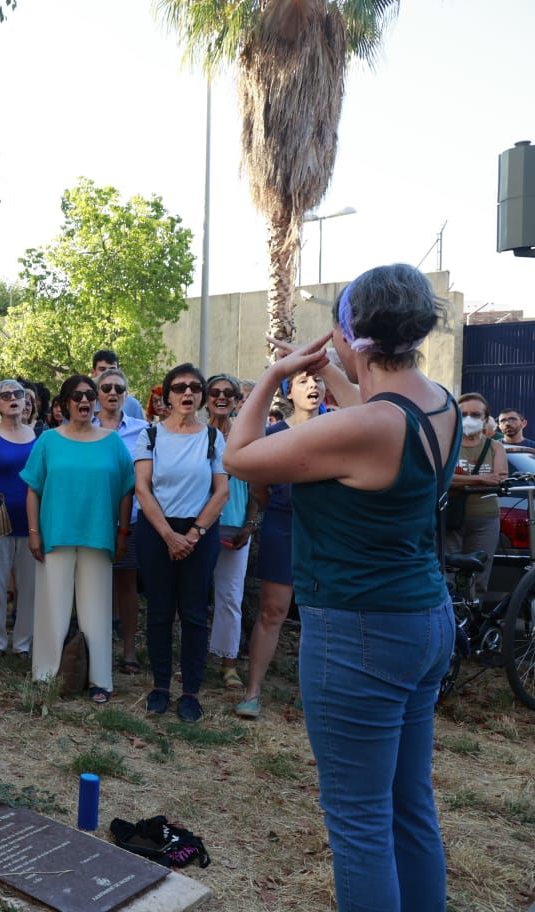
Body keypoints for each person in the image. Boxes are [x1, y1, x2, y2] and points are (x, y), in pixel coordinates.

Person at [224, 264, 458, 912]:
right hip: (423, 619)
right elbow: (373, 415)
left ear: (351, 334)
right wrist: (325, 368)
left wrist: (272, 377)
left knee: (358, 824)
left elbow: (239, 457)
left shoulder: (366, 428)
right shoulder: (432, 404)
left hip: (360, 632)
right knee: (410, 806)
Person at [24, 374, 133, 701]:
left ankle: (100, 680)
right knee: (51, 608)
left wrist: (123, 531)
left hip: (98, 537)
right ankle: (46, 675)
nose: (84, 401)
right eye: (76, 396)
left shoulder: (113, 442)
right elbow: (33, 490)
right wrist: (33, 533)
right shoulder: (48, 441)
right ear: (64, 404)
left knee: (97, 610)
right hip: (55, 535)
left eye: (89, 395)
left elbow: (128, 489)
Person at [133, 364, 229, 723]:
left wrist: (194, 534)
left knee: (193, 613)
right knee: (159, 612)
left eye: (194, 387)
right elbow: (143, 488)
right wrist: (169, 535)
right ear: (167, 395)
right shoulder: (151, 436)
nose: (187, 393)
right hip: (157, 531)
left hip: (198, 533)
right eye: (179, 387)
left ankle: (190, 692)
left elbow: (221, 491)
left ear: (201, 395)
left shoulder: (213, 438)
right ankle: (160, 687)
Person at [236, 368, 323, 720]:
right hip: (283, 523)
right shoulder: (273, 435)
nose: (313, 386)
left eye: (317, 381)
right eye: (303, 381)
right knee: (273, 610)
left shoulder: (337, 428)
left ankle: (317, 694)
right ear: (288, 393)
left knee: (321, 613)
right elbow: (257, 483)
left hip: (327, 529)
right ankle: (253, 691)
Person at [204, 374, 258, 689]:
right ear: (206, 398)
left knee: (230, 596)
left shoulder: (246, 438)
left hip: (236, 526)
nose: (221, 397)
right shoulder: (195, 434)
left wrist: (250, 524)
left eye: (228, 393)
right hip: (198, 526)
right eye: (215, 392)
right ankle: (193, 656)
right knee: (195, 595)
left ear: (237, 400)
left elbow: (256, 487)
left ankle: (228, 663)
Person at [93, 367, 146, 675]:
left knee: (127, 585)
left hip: (133, 519)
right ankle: (95, 649)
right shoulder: (83, 427)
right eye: (107, 388)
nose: (113, 393)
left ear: (126, 395)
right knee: (92, 585)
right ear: (97, 394)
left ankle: (128, 650)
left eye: (119, 388)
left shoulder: (143, 430)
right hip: (92, 521)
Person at [0, 379, 37, 659]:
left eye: (18, 394)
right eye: (6, 395)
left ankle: (23, 643)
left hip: (32, 521)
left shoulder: (39, 436)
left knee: (29, 586)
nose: (13, 398)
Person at [447, 392, 508, 594]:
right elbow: (441, 479)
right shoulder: (446, 445)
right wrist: (481, 479)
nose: (469, 419)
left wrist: (460, 482)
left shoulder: (495, 446)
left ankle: (473, 620)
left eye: (475, 414)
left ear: (485, 418)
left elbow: (499, 478)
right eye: (463, 414)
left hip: (485, 518)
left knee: (479, 578)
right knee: (448, 576)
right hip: (450, 519)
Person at [92, 349, 147, 421]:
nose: (107, 373)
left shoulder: (133, 405)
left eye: (112, 369)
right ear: (93, 372)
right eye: (102, 369)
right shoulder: (86, 403)